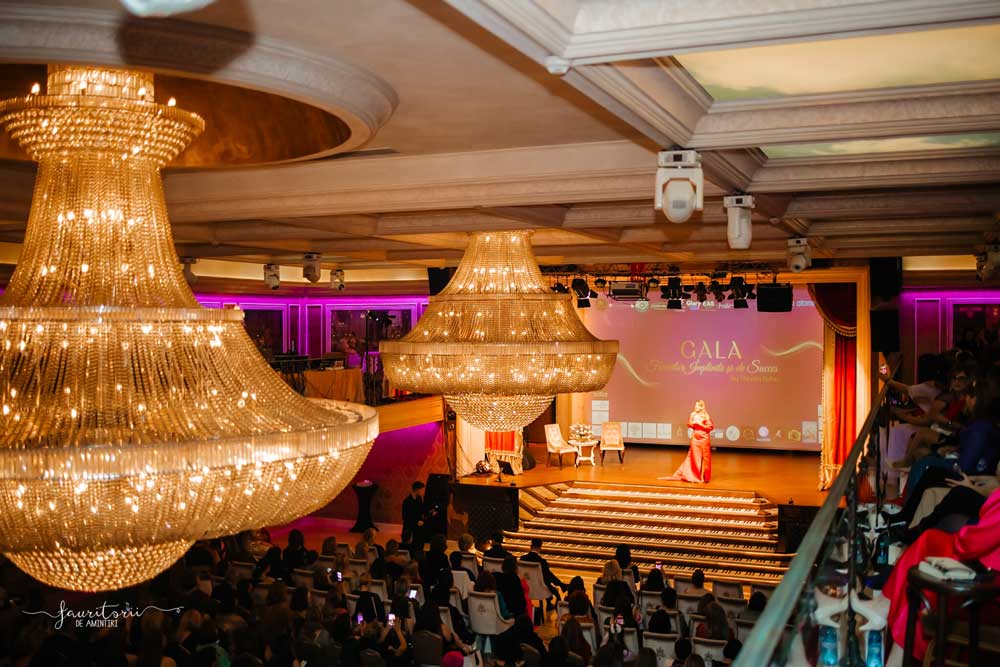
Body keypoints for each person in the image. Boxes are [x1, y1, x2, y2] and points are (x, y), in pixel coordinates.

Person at [663, 400, 714, 483]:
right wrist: (693, 424)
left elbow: (710, 427)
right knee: (693, 457)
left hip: (704, 438)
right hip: (695, 438)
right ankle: (693, 476)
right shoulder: (693, 414)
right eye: (695, 405)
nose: (696, 407)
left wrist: (700, 425)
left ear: (702, 407)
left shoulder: (705, 415)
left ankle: (702, 477)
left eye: (698, 406)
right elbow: (689, 424)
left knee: (704, 458)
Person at [520, 538, 567, 604]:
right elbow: (547, 577)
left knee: (547, 576)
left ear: (531, 547)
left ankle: (561, 585)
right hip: (539, 587)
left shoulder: (522, 558)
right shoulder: (542, 561)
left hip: (526, 584)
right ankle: (561, 585)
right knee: (548, 577)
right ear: (540, 548)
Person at [402, 481, 428, 550]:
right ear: (417, 490)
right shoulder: (407, 501)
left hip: (418, 527)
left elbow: (421, 511)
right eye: (422, 490)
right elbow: (405, 517)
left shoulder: (419, 499)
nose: (423, 492)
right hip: (410, 527)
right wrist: (416, 522)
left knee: (419, 544)